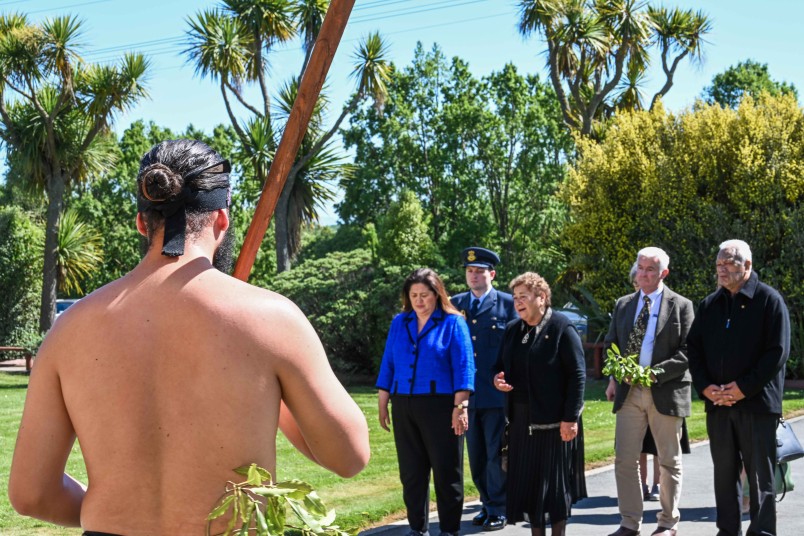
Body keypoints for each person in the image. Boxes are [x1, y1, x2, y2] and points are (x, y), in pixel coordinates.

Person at [7, 140, 370, 535]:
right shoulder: (271, 319)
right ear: (222, 220)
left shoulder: (69, 329)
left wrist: (106, 512)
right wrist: (275, 393)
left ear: (142, 223)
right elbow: (349, 457)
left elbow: (31, 493)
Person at [688, 239, 790, 536]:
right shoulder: (710, 304)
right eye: (718, 264)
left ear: (747, 266)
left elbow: (777, 352)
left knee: (760, 479)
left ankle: (762, 532)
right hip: (718, 405)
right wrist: (705, 387)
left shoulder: (770, 300)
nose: (720, 270)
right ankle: (727, 530)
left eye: (727, 264)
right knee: (724, 475)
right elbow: (694, 349)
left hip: (756, 405)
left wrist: (743, 388)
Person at [377, 268, 476, 536]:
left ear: (437, 294)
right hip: (404, 404)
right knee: (411, 473)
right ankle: (417, 529)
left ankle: (449, 530)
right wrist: (383, 400)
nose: (419, 301)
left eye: (424, 295)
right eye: (414, 295)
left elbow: (465, 368)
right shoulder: (400, 322)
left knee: (446, 473)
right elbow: (388, 362)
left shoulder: (454, 323)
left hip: (441, 406)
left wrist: (460, 407)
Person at [604, 247, 694, 536]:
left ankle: (668, 523)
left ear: (663, 273)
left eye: (650, 269)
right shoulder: (623, 304)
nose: (643, 274)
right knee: (624, 460)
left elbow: (688, 352)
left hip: (665, 392)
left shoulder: (681, 305)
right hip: (629, 393)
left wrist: (654, 374)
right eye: (640, 268)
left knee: (669, 460)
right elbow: (611, 344)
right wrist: (618, 372)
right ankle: (630, 523)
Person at [493, 272, 585, 536]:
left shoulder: (561, 327)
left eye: (524, 296)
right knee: (531, 490)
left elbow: (577, 375)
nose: (518, 302)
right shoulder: (514, 329)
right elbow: (498, 367)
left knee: (554, 491)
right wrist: (497, 380)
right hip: (521, 423)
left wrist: (570, 418)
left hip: (555, 424)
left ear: (541, 297)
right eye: (515, 298)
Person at [450, 247, 516, 531]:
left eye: (479, 271)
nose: (473, 276)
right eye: (469, 271)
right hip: (465, 395)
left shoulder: (508, 304)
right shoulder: (454, 304)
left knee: (494, 453)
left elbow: (515, 349)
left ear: (492, 274)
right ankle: (487, 502)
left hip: (495, 394)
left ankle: (498, 507)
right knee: (475, 455)